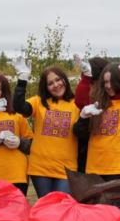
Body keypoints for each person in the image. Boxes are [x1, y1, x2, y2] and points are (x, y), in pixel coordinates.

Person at [12, 59, 79, 198]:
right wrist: (22, 80)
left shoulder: (77, 104)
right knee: (46, 210)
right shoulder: (39, 102)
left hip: (66, 170)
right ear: (45, 87)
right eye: (50, 83)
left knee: (60, 209)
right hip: (40, 169)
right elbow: (19, 107)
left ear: (64, 80)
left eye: (58, 80)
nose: (56, 85)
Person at [73, 57, 120, 180]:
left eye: (112, 82)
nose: (108, 86)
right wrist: (86, 77)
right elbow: (80, 102)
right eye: (105, 82)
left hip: (119, 168)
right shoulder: (99, 102)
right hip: (94, 167)